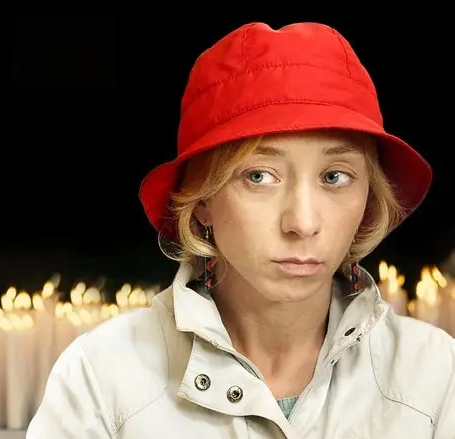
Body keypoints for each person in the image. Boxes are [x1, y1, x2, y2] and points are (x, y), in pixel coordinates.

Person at [27, 22, 454, 438]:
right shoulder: (101, 379)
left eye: (334, 177)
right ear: (201, 199)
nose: (303, 223)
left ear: (369, 197)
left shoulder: (435, 376)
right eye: (259, 176)